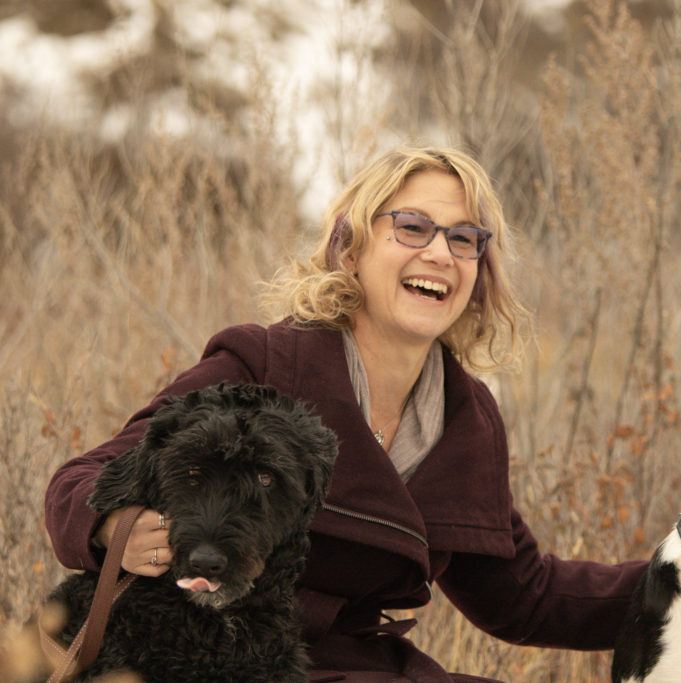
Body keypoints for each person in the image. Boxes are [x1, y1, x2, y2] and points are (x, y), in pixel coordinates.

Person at [45, 146, 646, 682]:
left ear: (479, 274)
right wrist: (112, 530)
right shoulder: (266, 364)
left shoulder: (465, 417)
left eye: (464, 239)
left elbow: (524, 596)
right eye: (412, 227)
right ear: (350, 248)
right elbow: (81, 481)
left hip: (351, 663)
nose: (440, 252)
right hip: (202, 652)